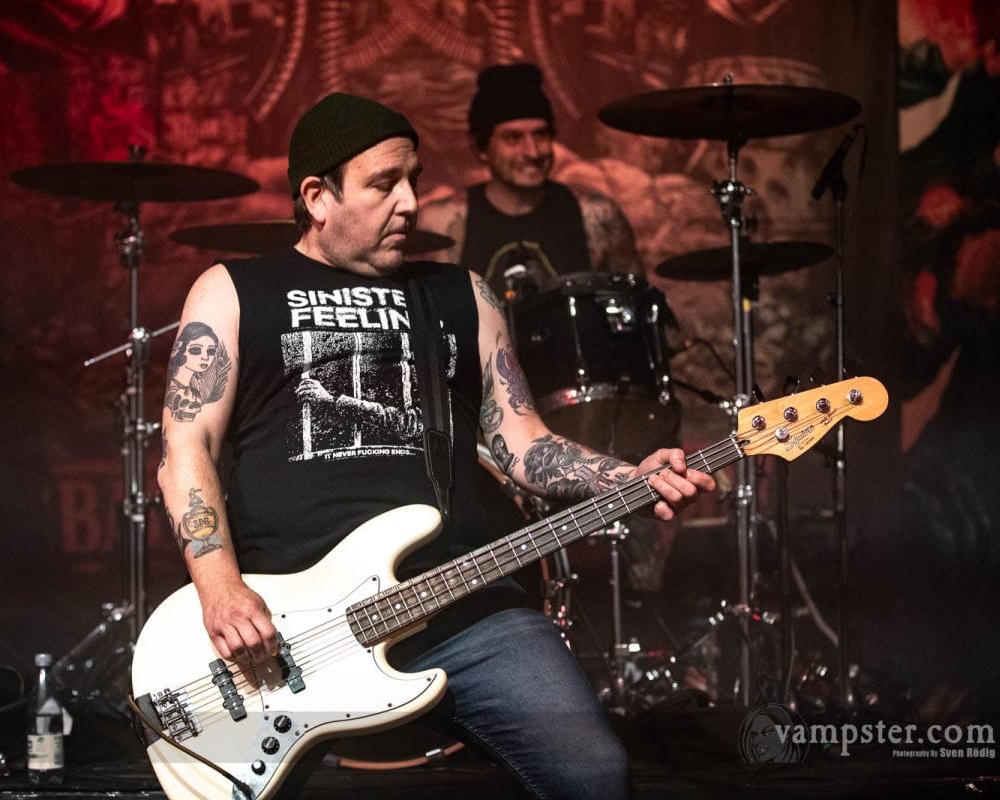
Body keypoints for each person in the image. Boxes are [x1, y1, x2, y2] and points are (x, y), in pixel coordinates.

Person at [157, 92, 715, 799]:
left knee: (595, 774)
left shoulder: (462, 294)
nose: (412, 203)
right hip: (287, 626)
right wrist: (220, 589)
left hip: (464, 603)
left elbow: (523, 444)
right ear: (317, 197)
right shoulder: (234, 291)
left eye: (414, 179)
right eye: (384, 183)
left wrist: (629, 477)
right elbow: (186, 448)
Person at [418, 62, 642, 297]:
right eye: (513, 138)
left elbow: (635, 305)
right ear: (481, 148)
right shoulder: (441, 221)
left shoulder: (597, 215)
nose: (533, 152)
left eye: (540, 134)